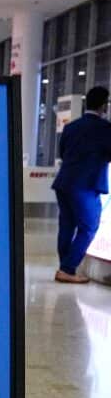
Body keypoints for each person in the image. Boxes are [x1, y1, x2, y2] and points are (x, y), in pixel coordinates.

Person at [52, 85, 111, 284]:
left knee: (67, 225)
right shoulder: (105, 129)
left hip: (64, 182)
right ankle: (67, 269)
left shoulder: (71, 127)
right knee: (89, 226)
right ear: (104, 106)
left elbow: (62, 152)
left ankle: (65, 267)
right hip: (85, 185)